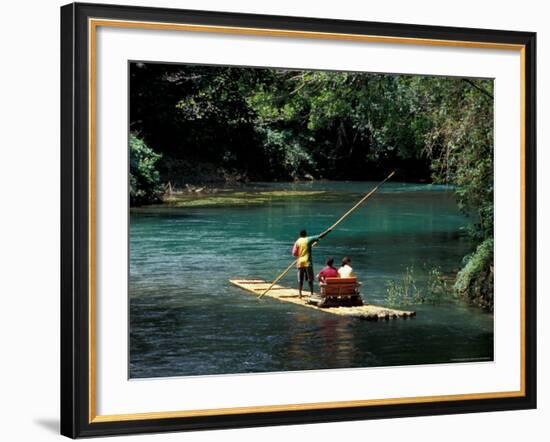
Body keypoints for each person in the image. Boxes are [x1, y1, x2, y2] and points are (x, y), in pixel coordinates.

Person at [292, 228, 331, 298]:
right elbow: (320, 236)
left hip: (300, 262)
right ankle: (311, 293)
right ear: (305, 234)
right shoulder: (308, 239)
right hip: (307, 262)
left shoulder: (297, 242)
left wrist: (301, 253)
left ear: (300, 235)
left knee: (300, 279)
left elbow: (294, 253)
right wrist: (328, 231)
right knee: (310, 279)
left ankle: (300, 294)